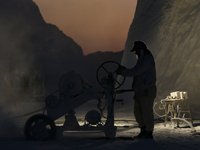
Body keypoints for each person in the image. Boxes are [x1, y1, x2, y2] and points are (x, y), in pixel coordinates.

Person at [116, 41, 157, 139]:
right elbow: (136, 71)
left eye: (136, 50)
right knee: (138, 113)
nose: (135, 53)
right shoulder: (142, 60)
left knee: (146, 112)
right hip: (140, 91)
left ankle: (148, 132)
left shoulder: (147, 59)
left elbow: (136, 71)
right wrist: (125, 70)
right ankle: (143, 130)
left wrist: (123, 72)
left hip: (146, 90)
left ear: (141, 50)